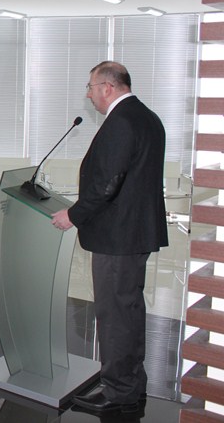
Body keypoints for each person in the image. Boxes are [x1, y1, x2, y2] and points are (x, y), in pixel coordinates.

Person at [51, 61, 167, 415]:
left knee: (115, 315)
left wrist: (73, 215)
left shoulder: (121, 122)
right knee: (128, 310)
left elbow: (107, 183)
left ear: (107, 87)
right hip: (134, 233)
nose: (88, 95)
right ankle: (130, 382)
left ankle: (118, 391)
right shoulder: (147, 117)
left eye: (90, 87)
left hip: (118, 236)